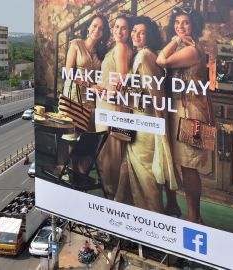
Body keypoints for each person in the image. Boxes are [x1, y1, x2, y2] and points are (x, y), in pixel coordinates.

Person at [114, 16, 177, 213]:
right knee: (130, 168)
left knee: (146, 176)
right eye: (134, 31)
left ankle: (152, 217)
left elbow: (155, 94)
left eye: (142, 32)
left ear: (149, 36)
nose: (136, 35)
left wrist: (161, 127)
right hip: (137, 119)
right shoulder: (140, 55)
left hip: (145, 121)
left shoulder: (145, 57)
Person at [156, 7, 209, 223]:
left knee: (190, 166)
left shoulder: (192, 50)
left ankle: (195, 218)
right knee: (183, 164)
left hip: (191, 111)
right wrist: (177, 39)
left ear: (194, 25)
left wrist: (174, 40)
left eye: (185, 22)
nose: (180, 26)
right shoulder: (185, 46)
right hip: (181, 108)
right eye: (177, 22)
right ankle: (184, 212)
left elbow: (162, 60)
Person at [95, 14, 134, 199]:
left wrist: (106, 94)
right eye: (117, 27)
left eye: (124, 28)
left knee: (110, 154)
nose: (119, 31)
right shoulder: (119, 47)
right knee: (111, 153)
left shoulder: (120, 48)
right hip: (111, 106)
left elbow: (123, 77)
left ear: (128, 32)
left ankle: (112, 196)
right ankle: (115, 194)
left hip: (112, 107)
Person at [63, 14, 110, 132]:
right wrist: (90, 86)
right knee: (71, 132)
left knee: (86, 133)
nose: (97, 30)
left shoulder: (101, 51)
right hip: (74, 94)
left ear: (103, 33)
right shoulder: (76, 44)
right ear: (88, 27)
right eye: (94, 26)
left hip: (90, 99)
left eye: (101, 28)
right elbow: (69, 72)